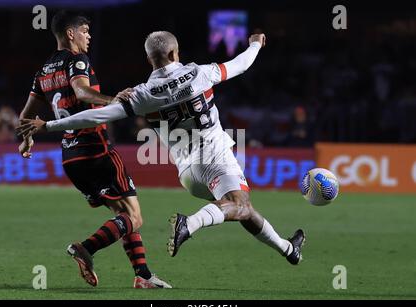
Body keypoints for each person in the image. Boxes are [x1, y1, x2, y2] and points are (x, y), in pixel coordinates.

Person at [18, 31, 305, 268]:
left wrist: (49, 127)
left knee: (241, 208)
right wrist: (255, 43)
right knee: (238, 205)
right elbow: (241, 64)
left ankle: (288, 250)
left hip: (188, 174)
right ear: (173, 54)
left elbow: (95, 115)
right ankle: (189, 224)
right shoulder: (200, 73)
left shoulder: (142, 94)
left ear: (149, 59)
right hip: (214, 158)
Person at [17, 11, 171, 289]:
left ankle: (143, 276)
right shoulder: (77, 60)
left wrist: (27, 139)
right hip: (96, 149)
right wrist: (115, 101)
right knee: (135, 217)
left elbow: (25, 116)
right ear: (70, 34)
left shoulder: (43, 70)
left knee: (123, 215)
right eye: (84, 30)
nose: (88, 35)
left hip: (71, 157)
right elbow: (83, 93)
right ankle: (85, 248)